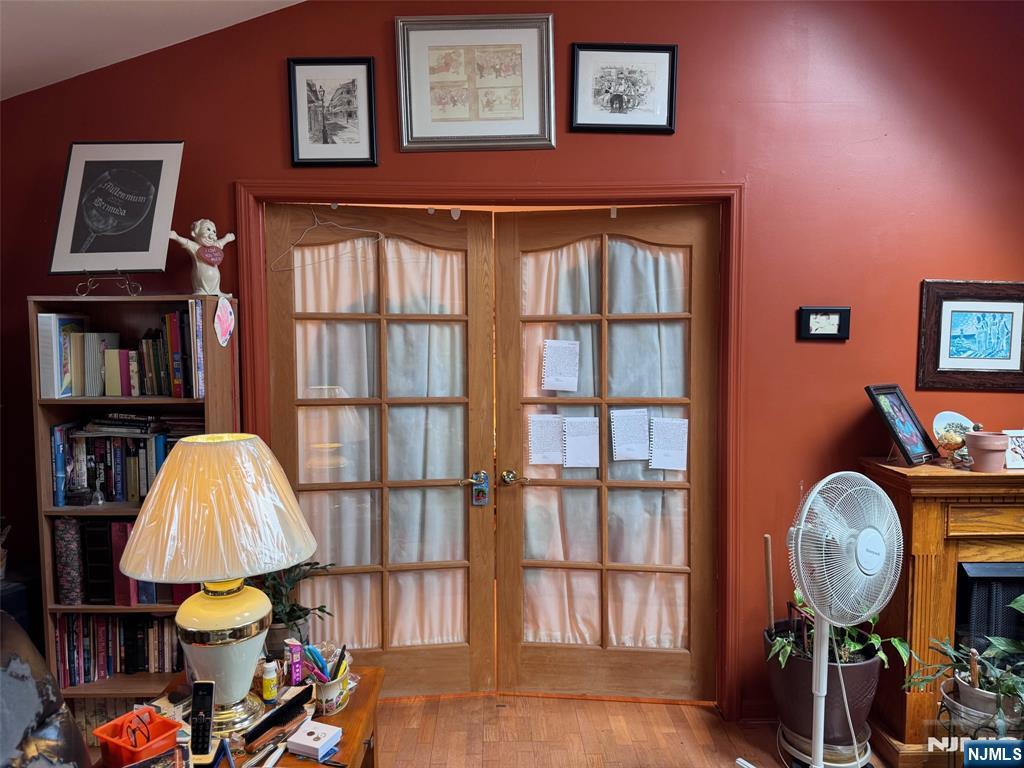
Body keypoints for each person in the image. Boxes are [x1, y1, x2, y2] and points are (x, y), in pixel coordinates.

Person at [170, 218, 235, 296]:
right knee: (201, 291)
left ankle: (216, 291)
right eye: (208, 229)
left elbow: (220, 243)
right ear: (195, 233)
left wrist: (227, 238)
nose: (211, 235)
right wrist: (176, 237)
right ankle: (201, 291)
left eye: (214, 231)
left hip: (215, 285)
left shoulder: (214, 247)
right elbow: (187, 242)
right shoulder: (196, 248)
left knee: (216, 286)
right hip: (201, 285)